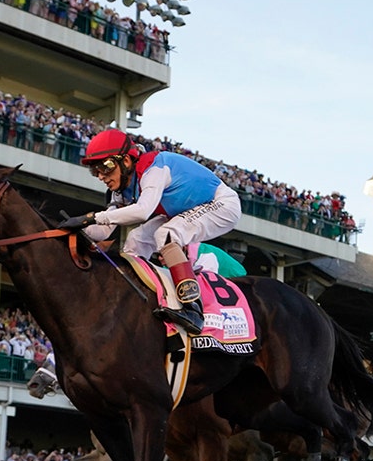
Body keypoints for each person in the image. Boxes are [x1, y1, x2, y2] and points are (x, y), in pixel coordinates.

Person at [62, 128, 243, 334]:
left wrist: (92, 217)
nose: (102, 176)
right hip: (184, 210)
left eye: (106, 167)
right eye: (95, 171)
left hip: (221, 203)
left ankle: (193, 308)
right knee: (136, 239)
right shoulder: (121, 189)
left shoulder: (153, 169)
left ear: (126, 161)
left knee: (166, 234)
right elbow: (103, 231)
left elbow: (142, 211)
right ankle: (130, 298)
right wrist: (72, 229)